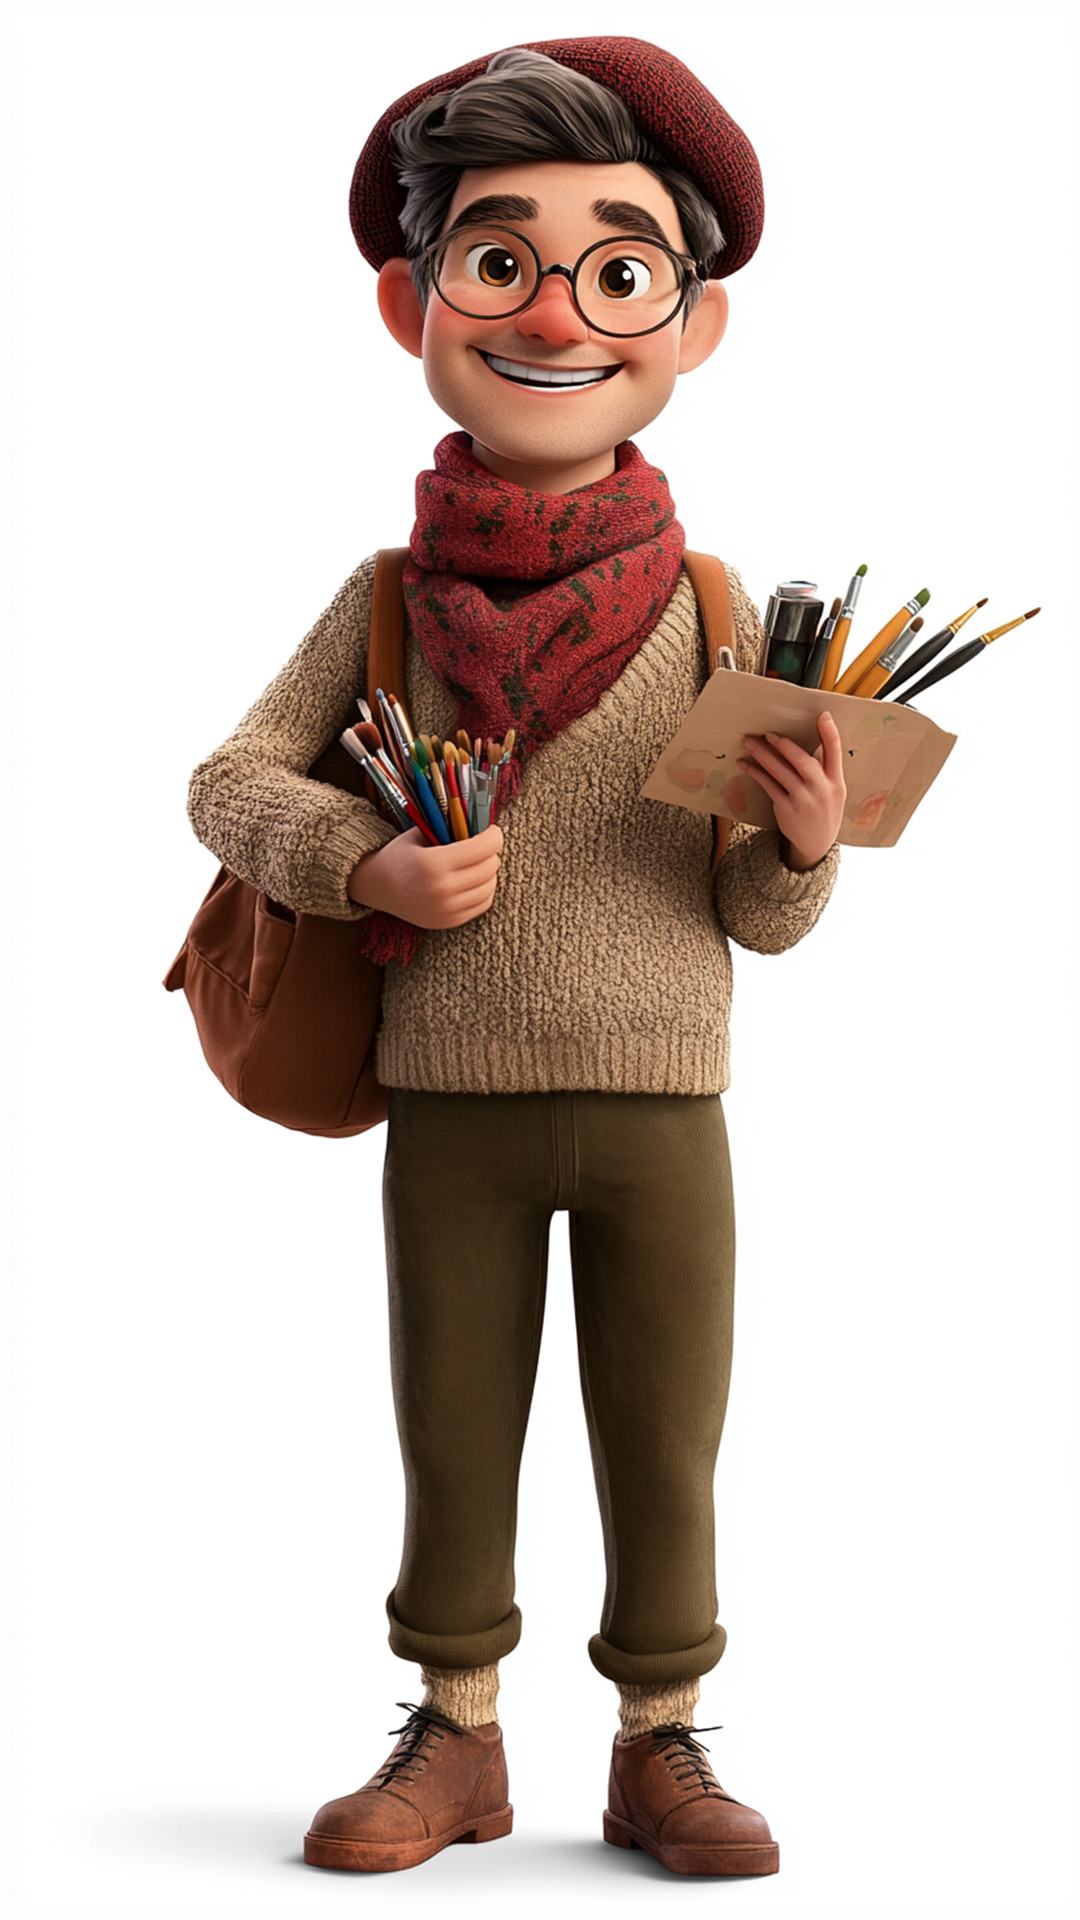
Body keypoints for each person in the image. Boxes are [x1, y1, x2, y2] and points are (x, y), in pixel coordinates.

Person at [186, 37, 846, 1878]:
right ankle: (456, 1737)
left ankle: (660, 1742)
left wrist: (800, 847)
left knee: (666, 1443)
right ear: (417, 301)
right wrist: (360, 861)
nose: (557, 313)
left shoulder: (724, 610)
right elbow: (226, 780)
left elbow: (758, 919)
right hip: (450, 1103)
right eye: (502, 261)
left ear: (687, 324)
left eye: (618, 272)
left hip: (665, 1111)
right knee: (453, 1428)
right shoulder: (388, 599)